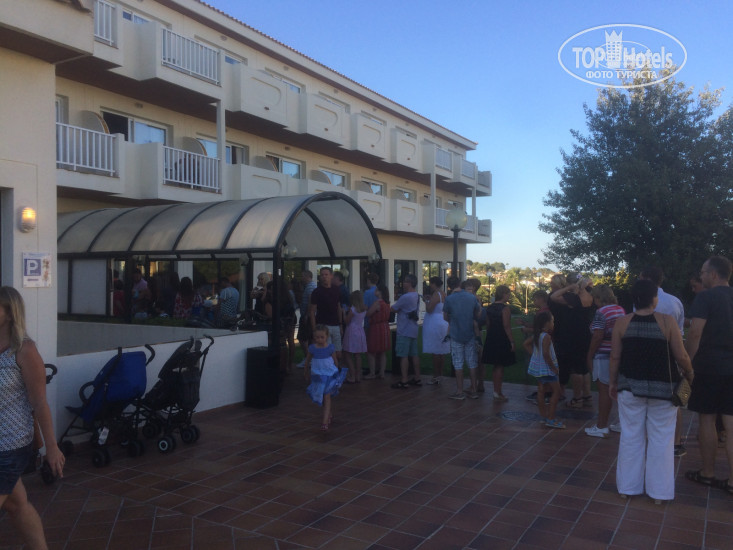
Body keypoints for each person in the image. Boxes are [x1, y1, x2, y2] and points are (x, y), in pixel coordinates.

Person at [609, 279, 694, 502]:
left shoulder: (622, 323)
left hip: (629, 387)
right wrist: (690, 373)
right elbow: (681, 356)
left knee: (630, 436)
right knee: (662, 440)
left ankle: (628, 488)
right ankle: (659, 493)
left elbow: (615, 357)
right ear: (654, 299)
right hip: (664, 390)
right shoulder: (667, 322)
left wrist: (612, 382)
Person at [0, 286, 65, 549]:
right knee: (17, 505)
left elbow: (39, 403)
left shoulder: (24, 351)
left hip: (10, 445)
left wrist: (52, 447)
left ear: (9, 313)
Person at [684, 256, 733, 493]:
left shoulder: (705, 297)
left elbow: (695, 334)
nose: (701, 276)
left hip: (709, 367)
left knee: (707, 418)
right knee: (731, 424)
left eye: (703, 272)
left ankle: (708, 473)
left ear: (713, 274)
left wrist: (687, 364)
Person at [638, 266, 687, 456]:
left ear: (646, 278)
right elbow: (680, 332)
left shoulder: (641, 300)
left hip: (646, 355)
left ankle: (651, 441)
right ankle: (676, 442)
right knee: (674, 399)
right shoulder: (675, 301)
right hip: (671, 354)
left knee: (646, 399)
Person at [584, 285, 625, 438]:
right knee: (619, 390)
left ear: (598, 297)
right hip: (618, 353)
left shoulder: (601, 312)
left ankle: (601, 426)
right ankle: (622, 423)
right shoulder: (620, 310)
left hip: (602, 355)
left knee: (604, 391)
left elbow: (597, 336)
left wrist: (589, 355)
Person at [550, 273, 594, 408]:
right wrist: (584, 284)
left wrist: (569, 287)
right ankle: (587, 395)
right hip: (586, 333)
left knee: (575, 369)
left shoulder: (573, 298)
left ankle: (577, 398)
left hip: (573, 335)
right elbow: (590, 282)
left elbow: (553, 296)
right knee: (584, 367)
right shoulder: (590, 296)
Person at [524, 310, 564, 428]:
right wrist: (553, 368)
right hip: (548, 370)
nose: (553, 324)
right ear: (547, 323)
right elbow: (546, 354)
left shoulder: (538, 335)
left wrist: (535, 356)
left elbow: (525, 344)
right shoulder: (546, 337)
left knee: (541, 391)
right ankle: (551, 418)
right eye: (552, 321)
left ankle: (544, 416)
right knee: (557, 392)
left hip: (540, 369)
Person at [443, 276, 481, 400]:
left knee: (458, 363)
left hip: (455, 334)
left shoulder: (449, 299)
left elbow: (445, 317)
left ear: (449, 286)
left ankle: (460, 391)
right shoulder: (471, 297)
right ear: (460, 283)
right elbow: (478, 313)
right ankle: (474, 389)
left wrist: (453, 320)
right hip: (470, 333)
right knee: (472, 362)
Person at [304, 325, 348, 431]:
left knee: (326, 396)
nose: (319, 339)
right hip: (318, 375)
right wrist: (306, 372)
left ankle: (324, 421)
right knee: (322, 396)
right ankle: (328, 414)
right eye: (317, 337)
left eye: (322, 337)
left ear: (327, 336)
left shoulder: (330, 348)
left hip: (329, 375)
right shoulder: (312, 348)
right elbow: (307, 361)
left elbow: (335, 361)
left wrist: (336, 373)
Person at [481, 285, 516, 402]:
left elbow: (488, 324)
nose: (509, 296)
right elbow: (507, 326)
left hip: (491, 337)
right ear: (504, 294)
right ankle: (497, 392)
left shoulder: (489, 308)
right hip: (501, 337)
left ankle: (496, 391)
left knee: (496, 365)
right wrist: (512, 341)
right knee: (500, 366)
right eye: (508, 294)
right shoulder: (505, 309)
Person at [390, 273, 422, 389]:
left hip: (404, 329)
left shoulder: (405, 297)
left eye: (405, 281)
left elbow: (393, 308)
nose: (403, 283)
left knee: (403, 355)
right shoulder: (417, 296)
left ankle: (404, 380)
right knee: (414, 355)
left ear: (410, 283)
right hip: (413, 328)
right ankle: (417, 377)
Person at [308, 267, 343, 365]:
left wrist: (341, 324)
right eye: (322, 275)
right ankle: (329, 371)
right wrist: (314, 329)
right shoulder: (317, 292)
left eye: (326, 275)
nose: (324, 277)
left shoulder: (336, 290)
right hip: (323, 325)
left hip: (335, 324)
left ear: (331, 276)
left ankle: (336, 369)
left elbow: (339, 307)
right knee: (328, 353)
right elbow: (312, 311)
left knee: (338, 353)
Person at [422, 277, 450, 386]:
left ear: (434, 284)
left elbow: (429, 309)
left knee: (435, 350)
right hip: (443, 322)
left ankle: (436, 376)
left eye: (431, 283)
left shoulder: (436, 294)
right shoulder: (444, 294)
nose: (430, 286)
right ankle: (440, 374)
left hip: (435, 323)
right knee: (441, 350)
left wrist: (425, 301)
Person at [365, 285, 391, 380]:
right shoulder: (387, 303)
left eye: (376, 290)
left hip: (376, 327)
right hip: (385, 326)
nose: (374, 292)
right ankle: (382, 372)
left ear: (380, 292)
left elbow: (368, 314)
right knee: (382, 351)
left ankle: (372, 373)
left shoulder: (377, 303)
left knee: (371, 351)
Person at [342, 290, 367, 383]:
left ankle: (352, 375)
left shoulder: (352, 309)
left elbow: (347, 321)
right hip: (360, 330)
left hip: (351, 331)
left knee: (347, 353)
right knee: (358, 354)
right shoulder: (364, 308)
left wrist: (343, 313)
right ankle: (358, 375)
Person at [296, 270, 317, 368]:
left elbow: (311, 301)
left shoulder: (310, 287)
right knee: (309, 338)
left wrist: (307, 315)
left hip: (307, 316)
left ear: (307, 276)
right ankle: (310, 358)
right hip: (308, 315)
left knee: (302, 337)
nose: (301, 278)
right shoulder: (309, 286)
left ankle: (308, 358)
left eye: (303, 276)